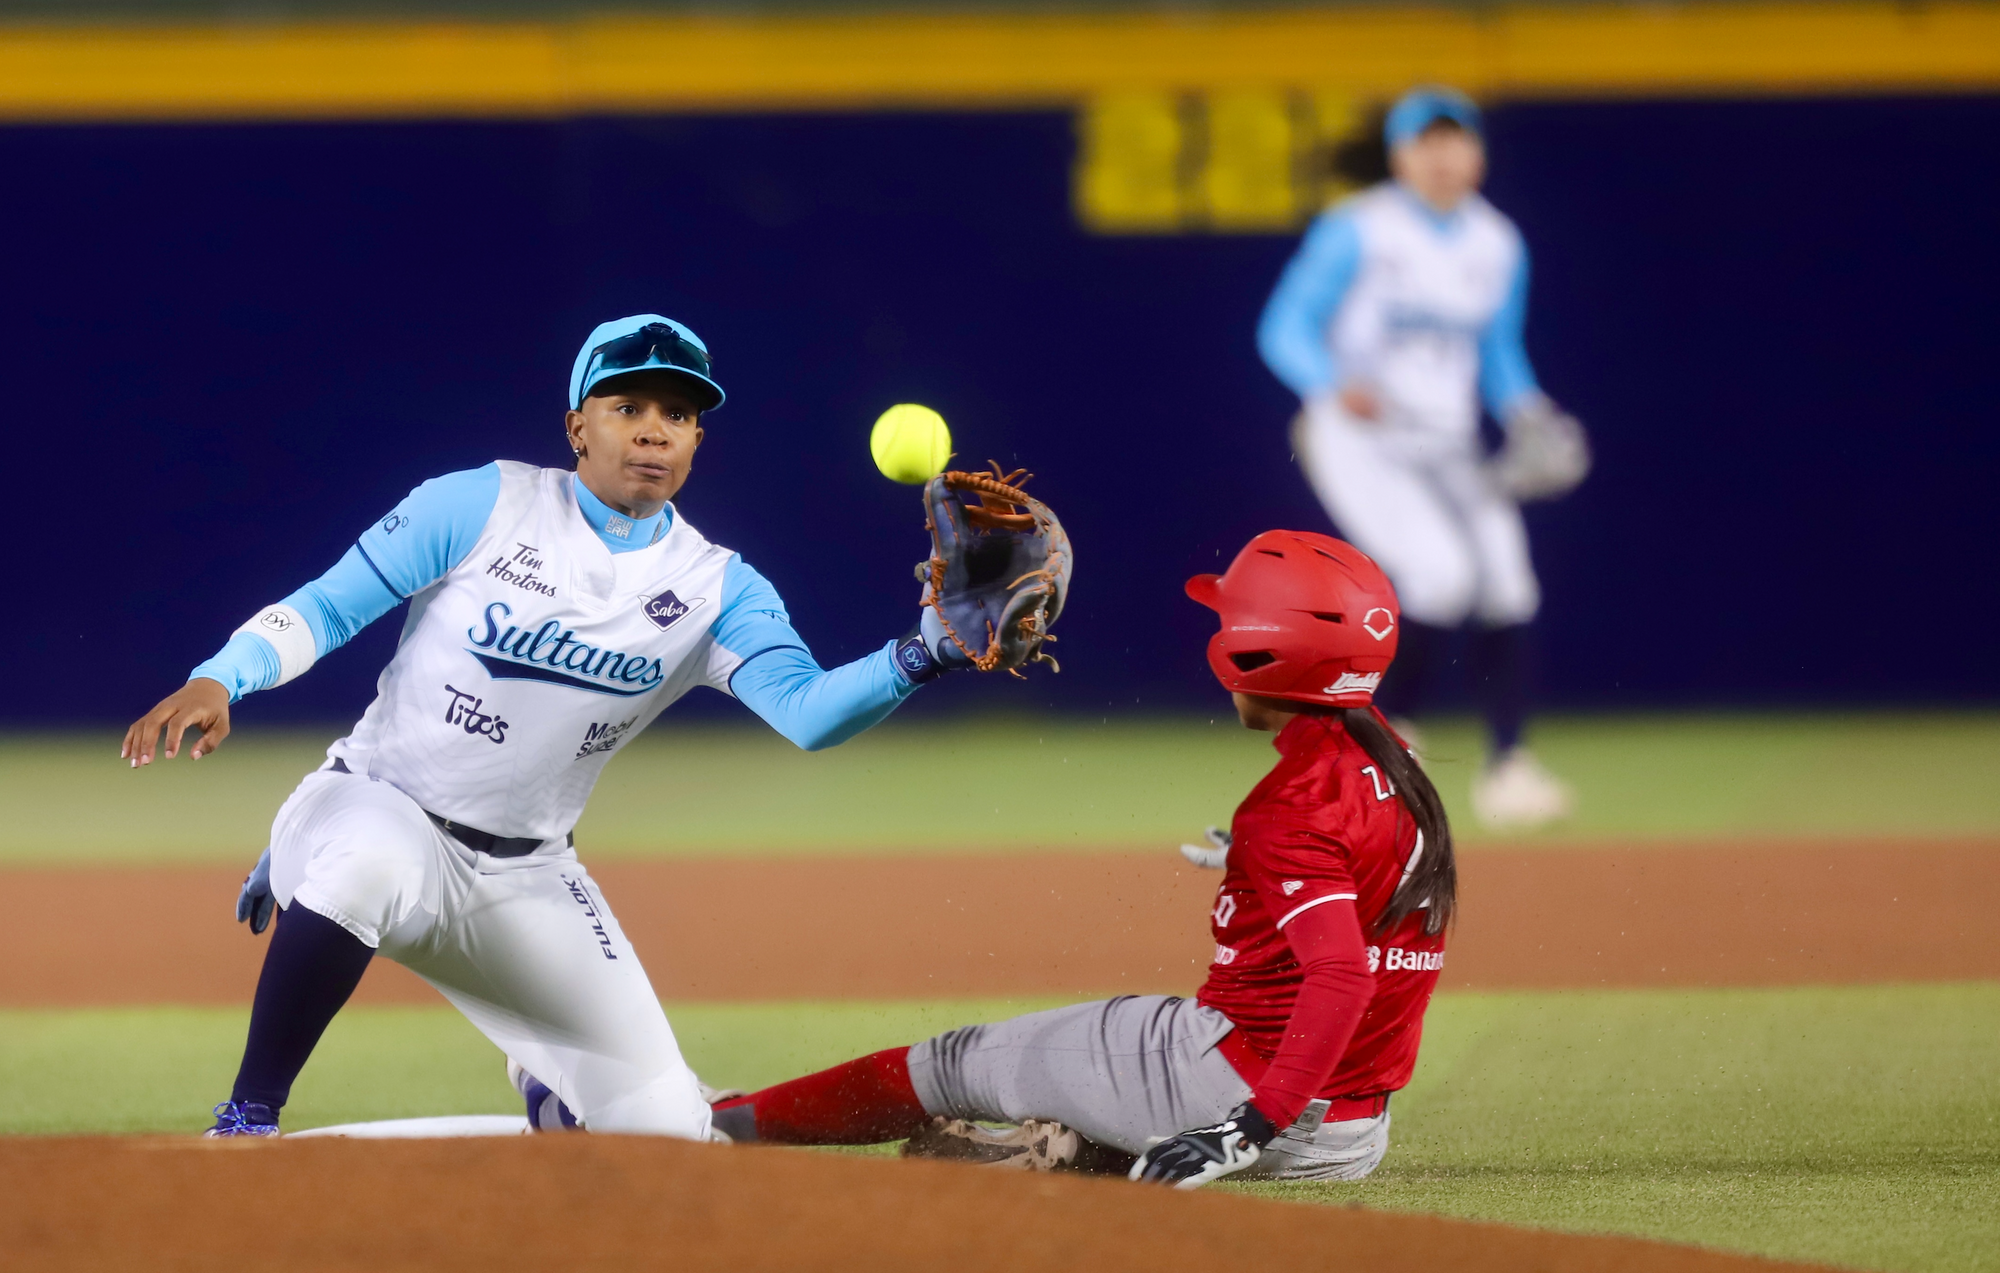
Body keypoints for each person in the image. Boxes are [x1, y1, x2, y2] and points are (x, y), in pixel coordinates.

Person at [122, 314, 984, 1139]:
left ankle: (549, 1091)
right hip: (378, 811)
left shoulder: (719, 587)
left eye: (676, 414)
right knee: (367, 862)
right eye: (628, 407)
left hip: (527, 876)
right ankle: (247, 1118)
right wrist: (221, 676)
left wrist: (927, 650)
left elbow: (810, 714)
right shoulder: (481, 504)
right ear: (578, 426)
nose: (653, 430)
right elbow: (326, 607)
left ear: (696, 443)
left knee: (666, 1133)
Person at [681, 531, 1454, 1188]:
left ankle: (724, 1125)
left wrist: (1247, 1127)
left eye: (1235, 617)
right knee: (1113, 1062)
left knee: (950, 1064)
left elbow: (1343, 975)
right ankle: (1082, 1151)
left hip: (1245, 1094)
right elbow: (1367, 881)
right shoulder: (1397, 762)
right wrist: (1254, 863)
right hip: (1352, 1135)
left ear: (1259, 649)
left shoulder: (1290, 807)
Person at [1258, 85, 1589, 829]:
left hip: (1447, 440)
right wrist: (1330, 384)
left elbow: (1500, 352)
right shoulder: (1359, 230)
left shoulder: (1497, 242)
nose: (1442, 156)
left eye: (1455, 140)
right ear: (1400, 155)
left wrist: (1528, 410)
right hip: (1358, 434)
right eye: (1425, 142)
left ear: (1477, 151)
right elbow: (1283, 327)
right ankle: (1382, 739)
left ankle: (1510, 768)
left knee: (1507, 581)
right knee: (1437, 572)